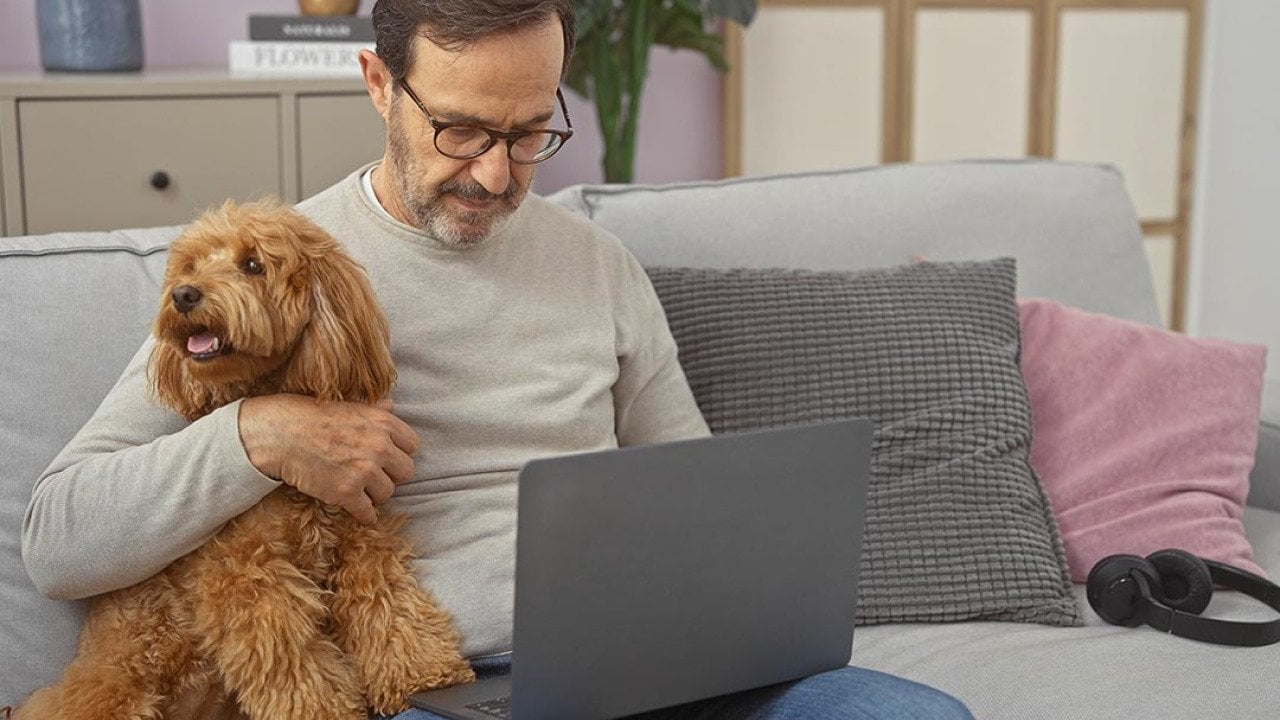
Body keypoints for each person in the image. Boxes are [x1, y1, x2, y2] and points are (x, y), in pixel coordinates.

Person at [22, 1, 973, 718]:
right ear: (379, 85)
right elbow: (60, 539)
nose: (492, 174)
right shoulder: (274, 268)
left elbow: (696, 484)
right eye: (462, 131)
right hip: (444, 685)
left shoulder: (599, 265)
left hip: (654, 662)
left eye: (527, 135)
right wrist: (253, 434)